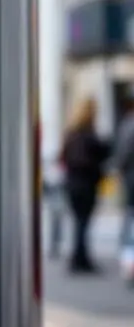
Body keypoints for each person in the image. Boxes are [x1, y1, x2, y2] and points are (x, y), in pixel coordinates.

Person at [60, 97, 110, 274]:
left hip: (73, 183)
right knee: (83, 222)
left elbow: (63, 157)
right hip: (85, 184)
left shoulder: (71, 134)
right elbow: (101, 154)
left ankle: (79, 257)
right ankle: (80, 259)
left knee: (79, 222)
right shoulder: (89, 135)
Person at [112, 98, 134, 249]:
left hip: (131, 174)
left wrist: (119, 169)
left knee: (130, 209)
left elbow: (123, 152)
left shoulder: (129, 124)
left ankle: (126, 245)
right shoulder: (129, 124)